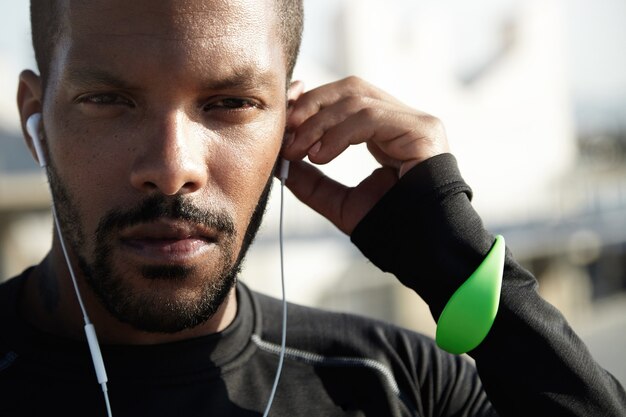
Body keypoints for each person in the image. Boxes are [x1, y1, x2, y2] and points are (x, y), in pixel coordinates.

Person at [1, 0, 624, 415]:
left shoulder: (398, 384)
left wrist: (456, 262)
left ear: (291, 124)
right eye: (108, 100)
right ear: (37, 114)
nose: (173, 167)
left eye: (231, 104)